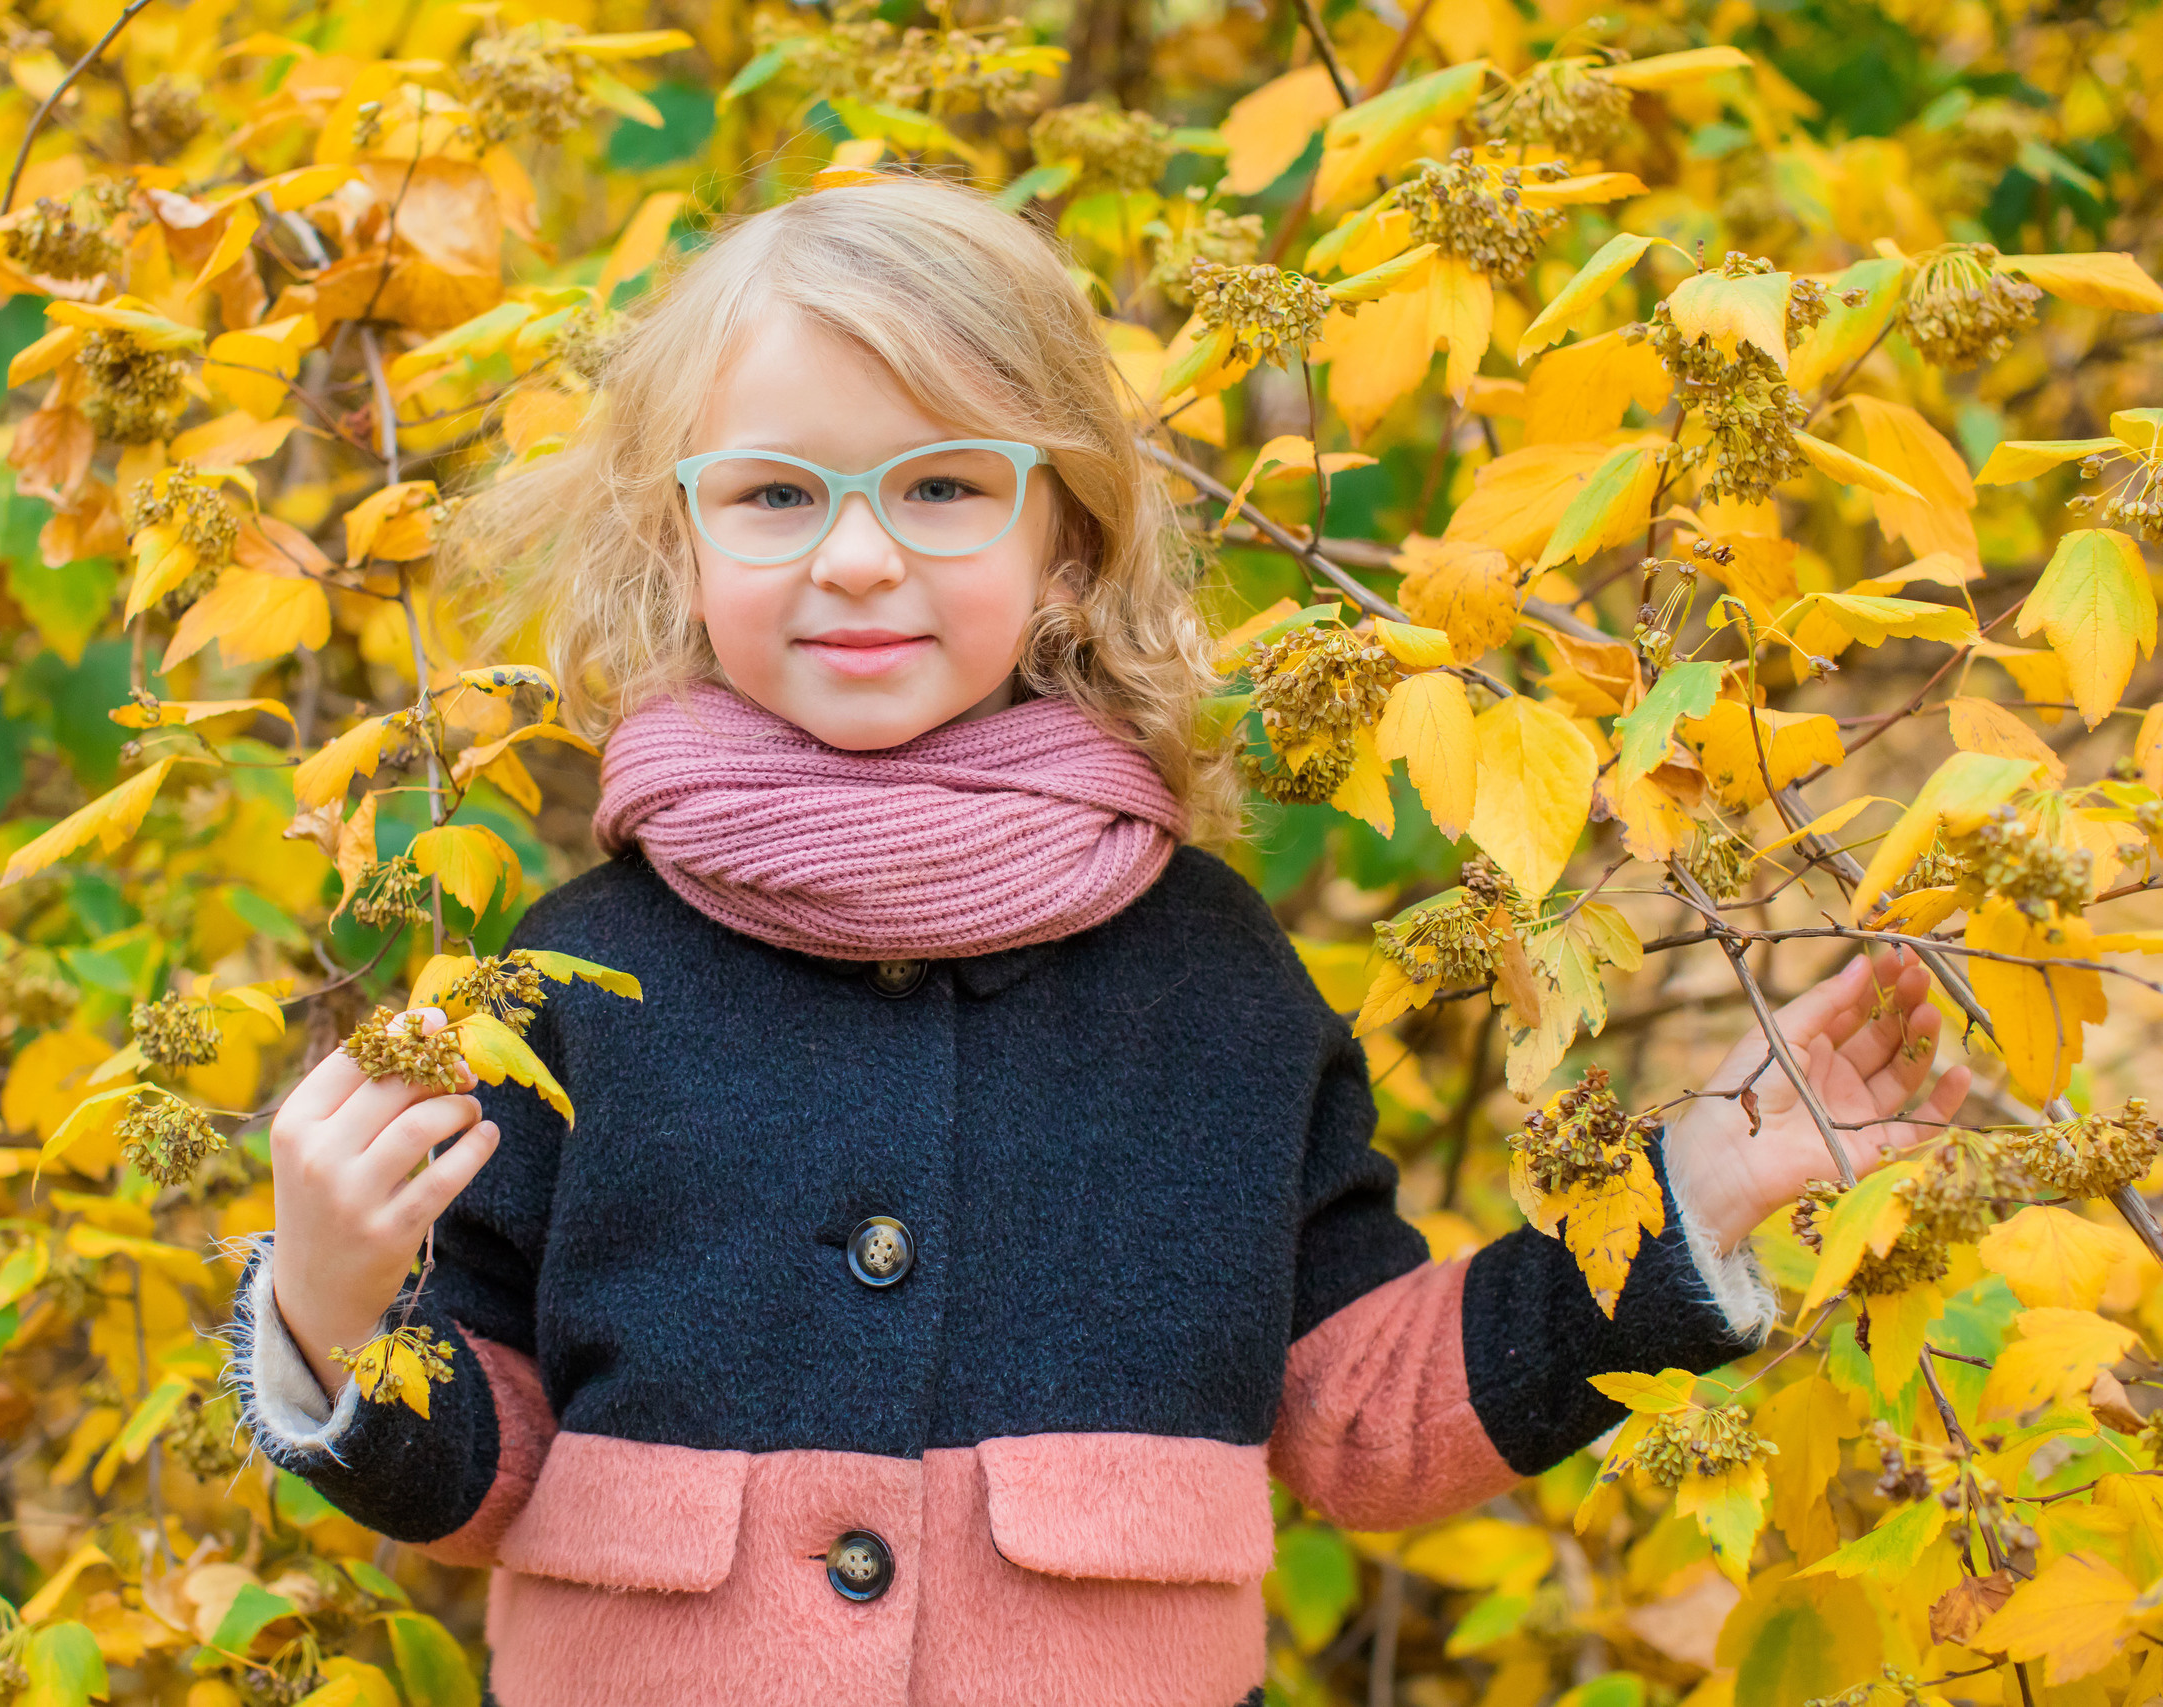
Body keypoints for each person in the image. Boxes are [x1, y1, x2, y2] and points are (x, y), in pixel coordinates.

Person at [227, 178, 1969, 1707]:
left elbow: (1360, 1416)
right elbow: (483, 1461)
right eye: (772, 495)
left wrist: (1687, 1207)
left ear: (1065, 545)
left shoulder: (1206, 971)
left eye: (941, 488)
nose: (851, 557)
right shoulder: (578, 974)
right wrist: (324, 1304)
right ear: (678, 544)